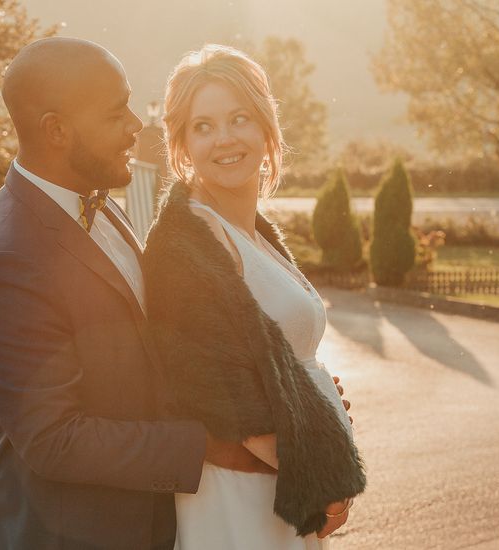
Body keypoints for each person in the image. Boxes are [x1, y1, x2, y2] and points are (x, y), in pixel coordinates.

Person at [0, 37, 273, 550]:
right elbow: (55, 439)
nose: (136, 125)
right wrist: (213, 447)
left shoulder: (104, 205)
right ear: (56, 130)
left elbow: (156, 349)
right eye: (114, 113)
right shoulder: (5, 261)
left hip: (154, 526)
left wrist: (285, 396)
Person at [142, 44, 367, 550]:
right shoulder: (185, 243)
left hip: (280, 489)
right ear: (181, 144)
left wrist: (314, 405)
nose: (224, 139)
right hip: (241, 501)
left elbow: (273, 355)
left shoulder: (251, 231)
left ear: (267, 127)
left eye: (239, 118)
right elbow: (225, 399)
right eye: (203, 126)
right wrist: (325, 480)